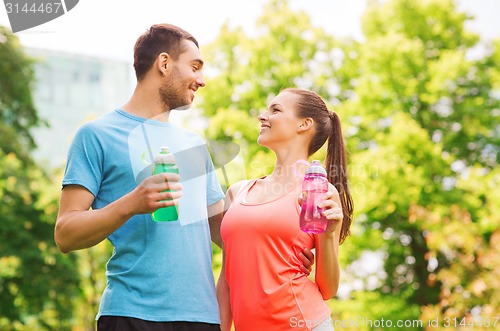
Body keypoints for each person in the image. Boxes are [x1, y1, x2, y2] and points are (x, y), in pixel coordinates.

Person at [54, 24, 314, 331]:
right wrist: (131, 203)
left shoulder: (193, 144)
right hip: (131, 315)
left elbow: (223, 230)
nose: (202, 80)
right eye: (195, 67)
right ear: (164, 64)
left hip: (202, 318)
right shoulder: (97, 135)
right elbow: (65, 233)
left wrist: (280, 248)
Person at [216, 88, 354, 331]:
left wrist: (330, 233)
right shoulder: (236, 193)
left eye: (275, 110)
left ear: (304, 124)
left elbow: (328, 288)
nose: (262, 116)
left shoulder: (318, 192)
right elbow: (227, 280)